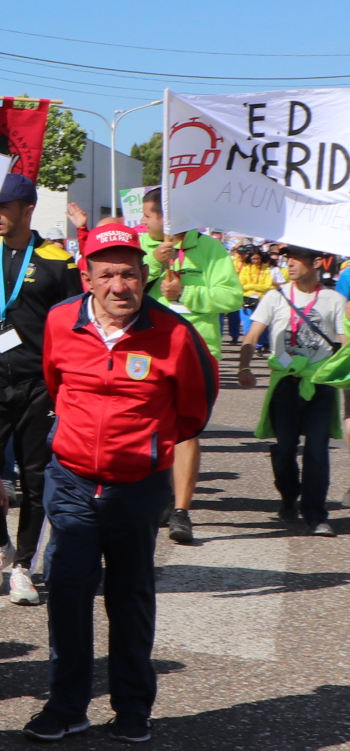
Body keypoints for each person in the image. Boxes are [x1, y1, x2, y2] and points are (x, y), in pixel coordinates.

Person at [31, 222, 217, 741]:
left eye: (130, 274)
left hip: (138, 486)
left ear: (143, 277)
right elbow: (53, 381)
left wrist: (147, 448)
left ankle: (133, 707)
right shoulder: (58, 322)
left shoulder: (175, 333)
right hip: (70, 481)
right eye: (108, 274)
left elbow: (194, 411)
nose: (120, 286)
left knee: (130, 595)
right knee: (67, 591)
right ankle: (67, 706)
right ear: (86, 277)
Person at [0, 173, 77, 605]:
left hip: (38, 385)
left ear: (27, 209)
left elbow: (73, 324)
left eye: (4, 206)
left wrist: (66, 384)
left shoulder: (56, 260)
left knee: (34, 478)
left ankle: (24, 565)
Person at [140, 185, 241, 545]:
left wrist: (186, 293)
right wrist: (154, 262)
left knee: (187, 431)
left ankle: (181, 511)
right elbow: (126, 291)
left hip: (197, 352)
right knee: (152, 427)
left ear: (169, 216)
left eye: (149, 216)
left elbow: (232, 296)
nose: (143, 221)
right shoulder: (144, 249)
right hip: (149, 351)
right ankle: (161, 497)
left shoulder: (211, 248)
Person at [240, 246, 349, 536]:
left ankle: (316, 514)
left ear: (316, 263)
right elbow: (252, 335)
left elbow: (344, 338)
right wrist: (243, 367)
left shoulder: (334, 299)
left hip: (319, 384)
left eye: (296, 258)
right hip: (285, 385)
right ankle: (289, 495)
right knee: (285, 448)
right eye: (287, 258)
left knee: (317, 450)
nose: (289, 263)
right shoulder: (275, 296)